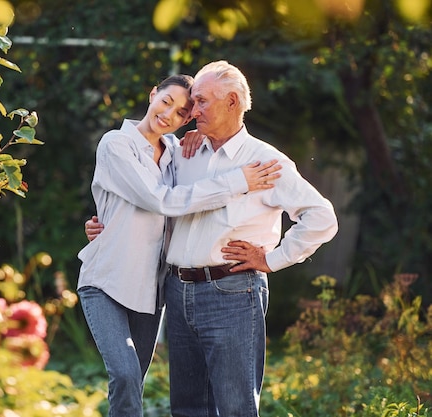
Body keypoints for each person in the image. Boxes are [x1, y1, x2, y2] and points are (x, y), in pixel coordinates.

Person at [86, 61, 338, 417]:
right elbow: (155, 203)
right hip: (176, 291)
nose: (193, 112)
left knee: (235, 407)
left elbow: (321, 217)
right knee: (187, 408)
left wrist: (273, 259)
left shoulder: (263, 160)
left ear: (232, 102)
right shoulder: (184, 153)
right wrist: (104, 223)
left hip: (231, 293)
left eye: (201, 102)